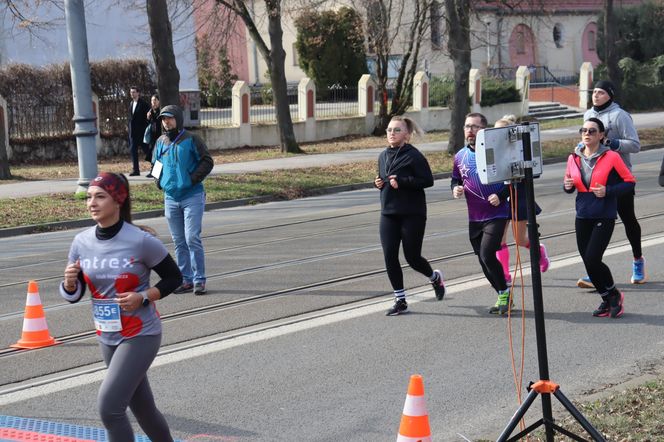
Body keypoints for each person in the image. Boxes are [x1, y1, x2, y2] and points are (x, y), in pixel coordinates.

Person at [60, 172, 182, 441]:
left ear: (118, 200)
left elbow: (175, 277)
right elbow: (75, 293)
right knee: (143, 409)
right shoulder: (81, 242)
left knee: (110, 409)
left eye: (100, 197)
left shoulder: (140, 240)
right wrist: (69, 284)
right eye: (89, 197)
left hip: (140, 334)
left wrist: (144, 296)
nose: (92, 203)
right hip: (107, 334)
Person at [563, 118, 635, 318]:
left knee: (593, 258)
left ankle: (614, 295)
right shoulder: (573, 158)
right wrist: (567, 186)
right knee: (587, 261)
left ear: (602, 135)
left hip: (604, 213)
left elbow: (629, 182)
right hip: (583, 214)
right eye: (584, 130)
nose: (587, 134)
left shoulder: (611, 156)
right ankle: (607, 297)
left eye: (592, 131)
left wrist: (608, 190)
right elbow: (568, 184)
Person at [374, 116, 446, 316]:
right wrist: (378, 183)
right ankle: (400, 300)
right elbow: (382, 177)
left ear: (406, 134)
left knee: (412, 257)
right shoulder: (382, 155)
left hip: (412, 214)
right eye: (389, 129)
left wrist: (403, 181)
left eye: (396, 130)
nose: (391, 133)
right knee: (389, 256)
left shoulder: (414, 156)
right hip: (388, 213)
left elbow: (427, 180)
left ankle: (434, 277)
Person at [578, 80, 645, 287]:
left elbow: (635, 145)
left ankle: (637, 260)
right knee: (595, 224)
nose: (595, 95)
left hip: (618, 177)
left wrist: (611, 143)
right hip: (596, 178)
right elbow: (586, 141)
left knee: (628, 219)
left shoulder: (620, 115)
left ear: (610, 95)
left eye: (600, 92)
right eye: (594, 92)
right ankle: (594, 268)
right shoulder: (588, 114)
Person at [451, 112, 512, 315]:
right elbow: (456, 179)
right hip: (474, 216)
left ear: (484, 130)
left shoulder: (497, 152)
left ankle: (504, 292)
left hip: (497, 213)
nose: (470, 130)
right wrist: (456, 188)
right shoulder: (459, 156)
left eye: (475, 127)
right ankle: (502, 292)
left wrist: (501, 195)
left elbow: (514, 181)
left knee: (487, 254)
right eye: (467, 126)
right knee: (482, 259)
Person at [152, 104, 214, 295]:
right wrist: (158, 181)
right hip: (170, 198)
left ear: (178, 119)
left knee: (192, 238)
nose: (166, 121)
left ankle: (199, 279)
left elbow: (207, 161)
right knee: (179, 241)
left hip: (192, 196)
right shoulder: (161, 141)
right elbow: (156, 163)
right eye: (163, 118)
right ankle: (185, 279)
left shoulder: (191, 139)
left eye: (170, 118)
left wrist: (192, 179)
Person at [493, 115, 550, 285]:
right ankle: (504, 274)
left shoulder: (521, 150)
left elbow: (526, 176)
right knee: (499, 240)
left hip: (519, 199)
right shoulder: (491, 151)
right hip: (500, 202)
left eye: (500, 132)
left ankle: (539, 251)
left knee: (519, 240)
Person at [128, 86, 151, 176]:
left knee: (147, 151)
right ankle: (136, 170)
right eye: (131, 92)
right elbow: (130, 118)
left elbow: (148, 118)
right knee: (133, 151)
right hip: (132, 133)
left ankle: (155, 170)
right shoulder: (131, 103)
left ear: (138, 93)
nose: (132, 94)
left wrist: (145, 129)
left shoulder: (143, 104)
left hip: (141, 133)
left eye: (134, 92)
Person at [145, 94, 161, 178]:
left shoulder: (160, 111)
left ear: (158, 101)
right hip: (152, 136)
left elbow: (159, 122)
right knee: (152, 154)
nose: (153, 102)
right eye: (152, 100)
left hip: (159, 136)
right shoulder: (150, 111)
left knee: (158, 154)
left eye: (155, 100)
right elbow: (149, 124)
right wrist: (148, 118)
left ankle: (156, 172)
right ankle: (152, 171)